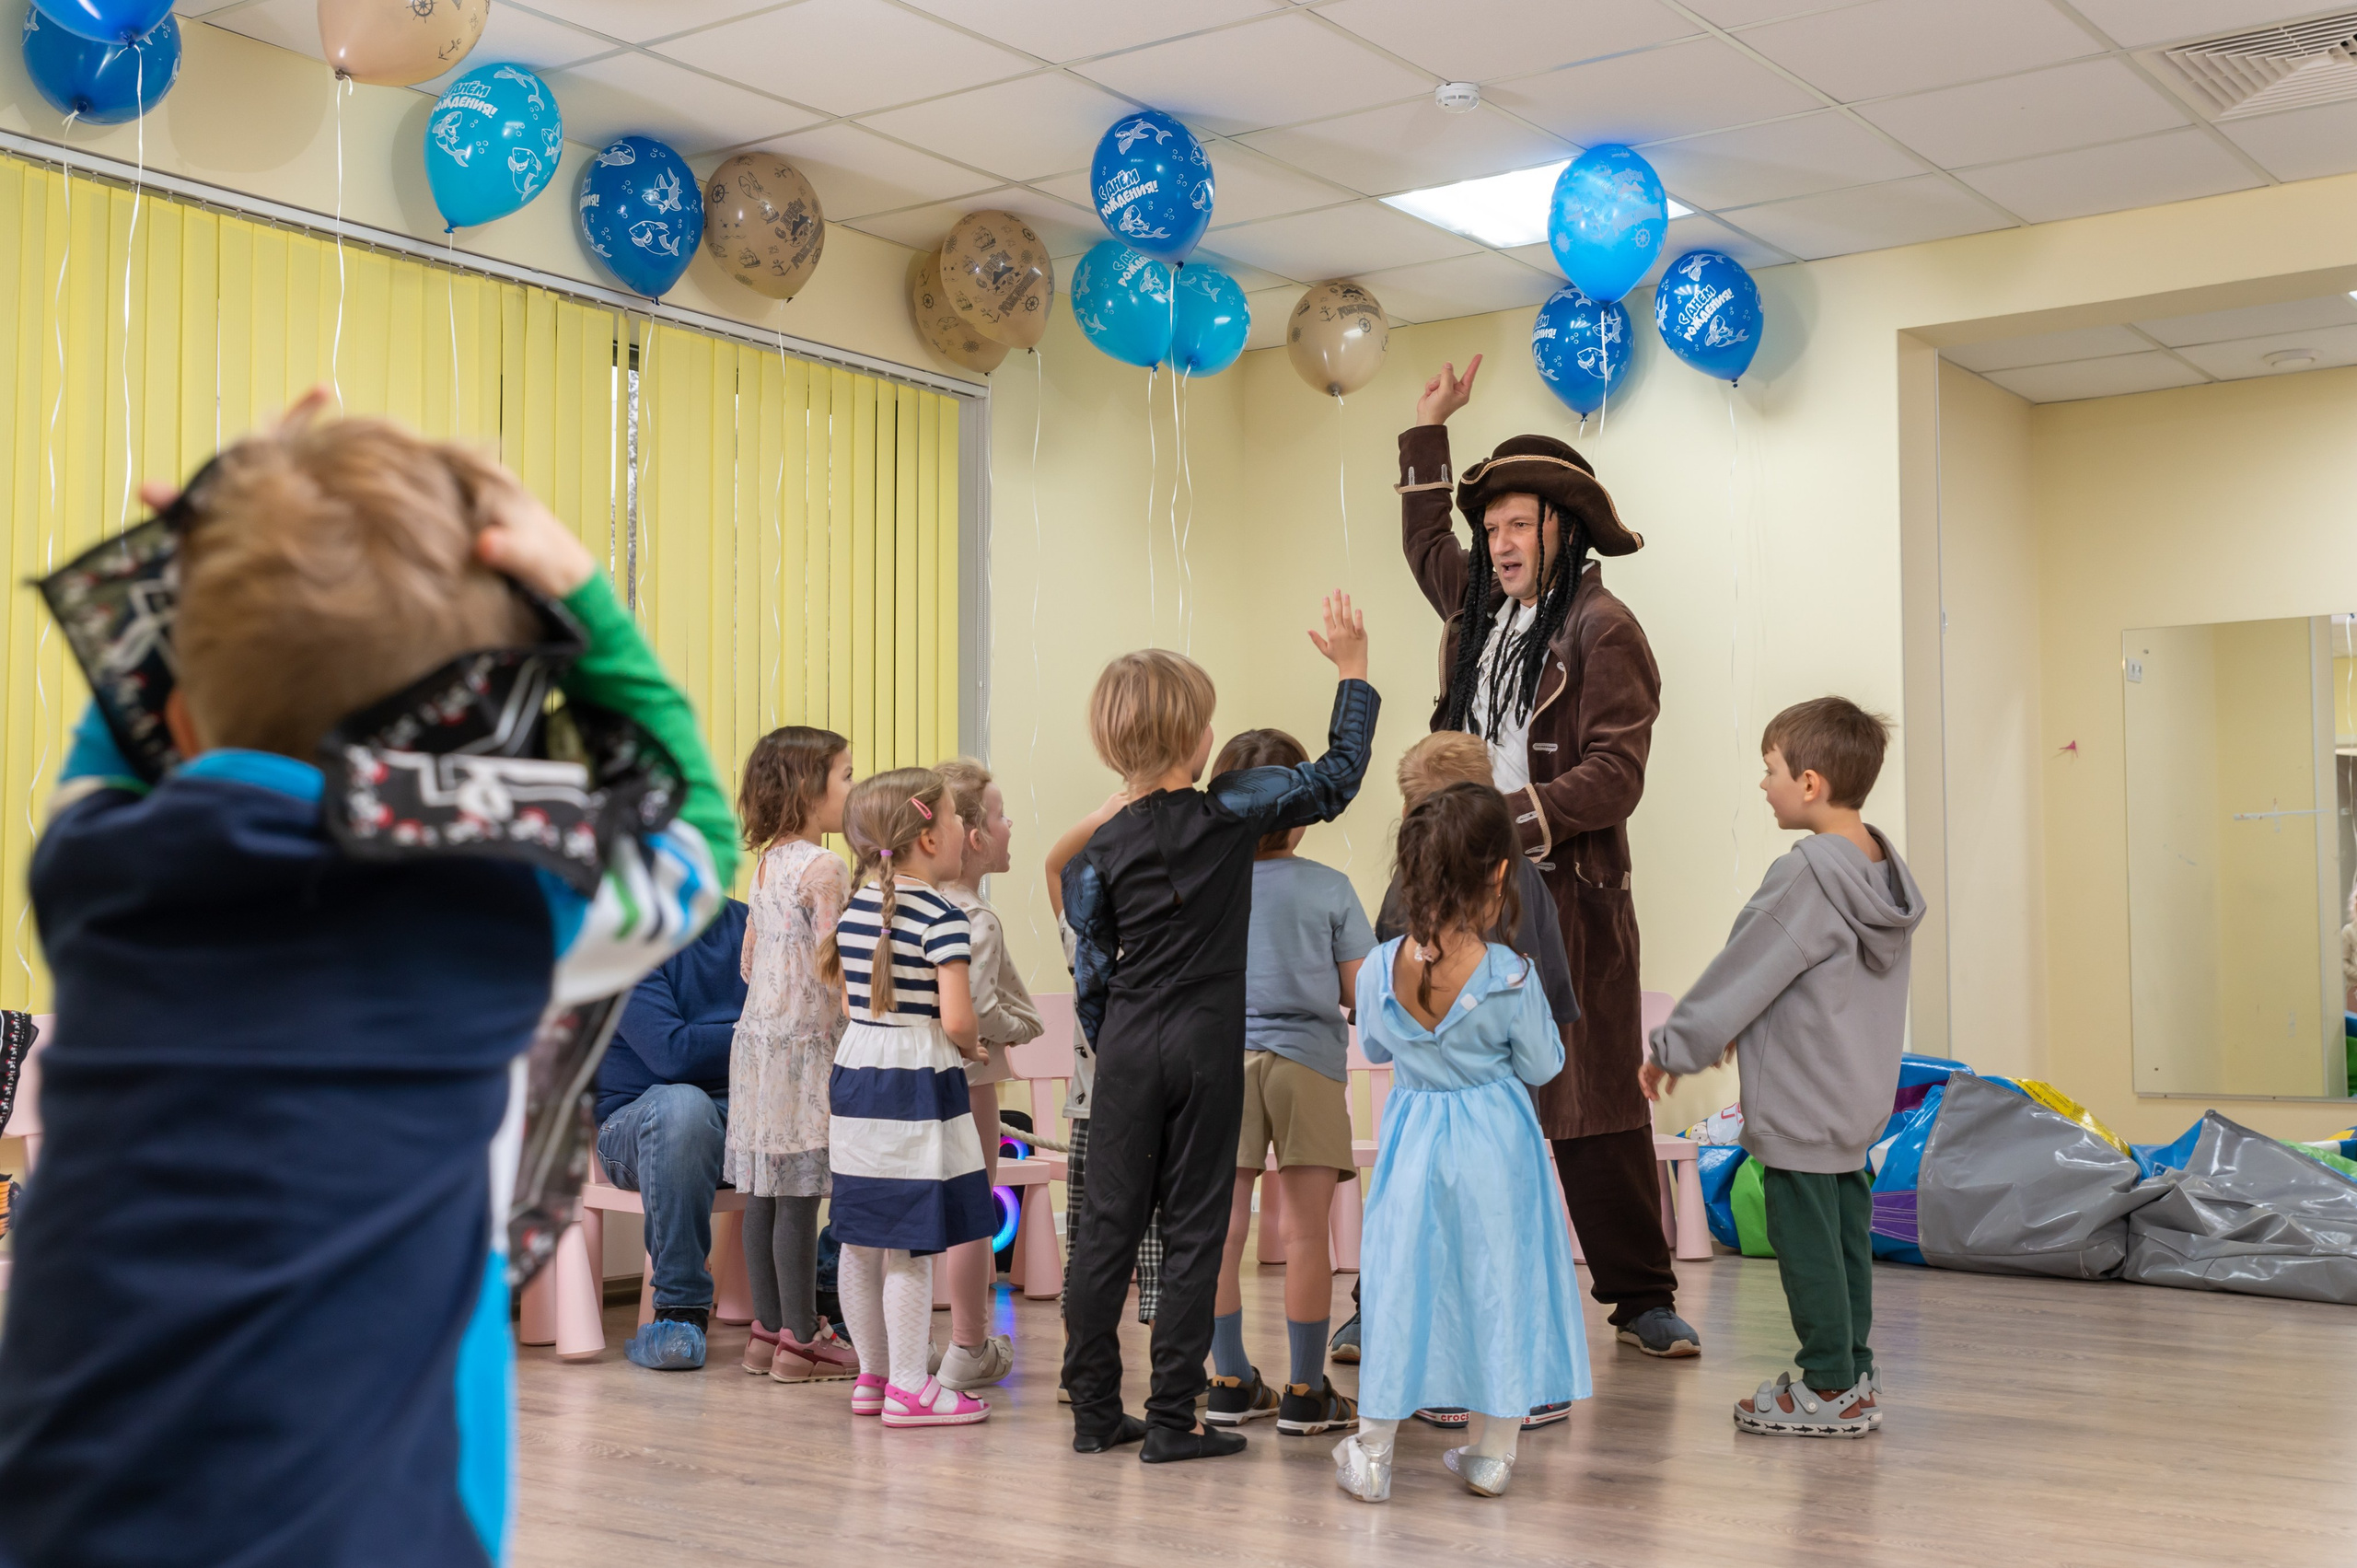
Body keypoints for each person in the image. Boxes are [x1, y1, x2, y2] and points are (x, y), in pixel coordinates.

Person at [0, 405, 730, 1568]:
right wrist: (582, 595)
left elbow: (116, 742)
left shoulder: (99, 873)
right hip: (372, 1530)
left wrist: (200, 555)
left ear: (177, 714)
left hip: (68, 1516)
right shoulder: (497, 895)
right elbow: (694, 829)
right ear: (473, 745)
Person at [1398, 354, 1698, 1361]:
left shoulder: (1604, 626)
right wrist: (1426, 427)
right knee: (1444, 1082)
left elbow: (1616, 772)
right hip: (1456, 890)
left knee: (1589, 1090)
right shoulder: (1475, 613)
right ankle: (1412, 1284)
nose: (1497, 542)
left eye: (1517, 525)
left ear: (1561, 529)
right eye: (1490, 529)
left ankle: (1640, 1291)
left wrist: (1512, 826)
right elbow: (1421, 540)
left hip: (1564, 891)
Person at [1061, 594, 1380, 1463]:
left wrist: (1117, 1029)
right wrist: (1352, 672)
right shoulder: (1230, 811)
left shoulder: (1100, 849)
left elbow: (1088, 969)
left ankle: (1094, 1411)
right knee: (1198, 1230)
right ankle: (1172, 1420)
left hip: (1127, 1044)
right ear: (1201, 741)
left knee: (1107, 1231)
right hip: (1208, 1046)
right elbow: (1337, 776)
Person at [1644, 698, 1925, 1438]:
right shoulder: (1880, 874)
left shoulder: (1805, 874)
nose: (1762, 784)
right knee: (1844, 1243)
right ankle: (1854, 1374)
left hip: (1801, 1099)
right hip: (1856, 1099)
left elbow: (1744, 966)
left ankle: (1826, 1384)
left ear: (1810, 782)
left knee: (1807, 1250)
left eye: (1769, 770)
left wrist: (1674, 1047)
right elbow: (1804, 977)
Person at [1335, 784, 1589, 1504]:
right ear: (1500, 873)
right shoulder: (1512, 975)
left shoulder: (1381, 965)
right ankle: (1492, 1452)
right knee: (1497, 1280)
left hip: (1415, 1138)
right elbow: (1544, 1065)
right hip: (1497, 1147)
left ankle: (1375, 1447)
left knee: (1402, 1280)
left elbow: (1378, 1046)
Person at [1202, 727, 1371, 1438]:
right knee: (1307, 1234)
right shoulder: (1331, 888)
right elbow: (1362, 992)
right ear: (1302, 810)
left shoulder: (1205, 885)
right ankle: (1306, 1390)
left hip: (1221, 1064)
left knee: (1222, 1227)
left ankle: (1228, 1378)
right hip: (1307, 1063)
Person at [819, 769, 996, 1429]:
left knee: (861, 1238)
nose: (963, 832)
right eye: (955, 821)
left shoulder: (855, 910)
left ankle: (873, 1376)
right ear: (928, 836)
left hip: (859, 1070)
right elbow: (955, 1020)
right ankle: (912, 1387)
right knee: (913, 1242)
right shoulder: (944, 917)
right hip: (917, 1080)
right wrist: (973, 1045)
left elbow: (850, 1002)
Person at [726, 726, 860, 1382]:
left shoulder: (765, 863)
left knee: (765, 1192)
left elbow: (751, 960)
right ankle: (805, 1340)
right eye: (845, 775)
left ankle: (769, 1330)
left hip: (758, 1044)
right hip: (806, 1047)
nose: (854, 788)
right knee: (802, 1197)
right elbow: (833, 964)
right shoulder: (826, 867)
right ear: (809, 788)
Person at [596, 899, 753, 1372]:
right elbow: (672, 1054)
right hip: (637, 1123)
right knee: (683, 1104)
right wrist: (760, 1034)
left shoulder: (754, 923)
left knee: (855, 1092)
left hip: (742, 1116)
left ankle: (827, 1288)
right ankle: (679, 1315)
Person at [933, 756, 1046, 1393]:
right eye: (1001, 816)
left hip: (910, 1081)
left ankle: (904, 1348)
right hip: (968, 1080)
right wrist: (1023, 1026)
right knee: (973, 1209)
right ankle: (969, 1343)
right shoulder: (974, 918)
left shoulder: (907, 905)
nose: (1010, 828)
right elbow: (973, 1008)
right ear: (973, 836)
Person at [1044, 791, 1166, 1339]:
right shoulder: (1167, 947)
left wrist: (1099, 816)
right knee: (1161, 1243)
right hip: (1155, 1108)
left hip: (1096, 1109)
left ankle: (1080, 1363)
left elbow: (1054, 864)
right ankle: (1172, 1369)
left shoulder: (1082, 940)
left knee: (1089, 1237)